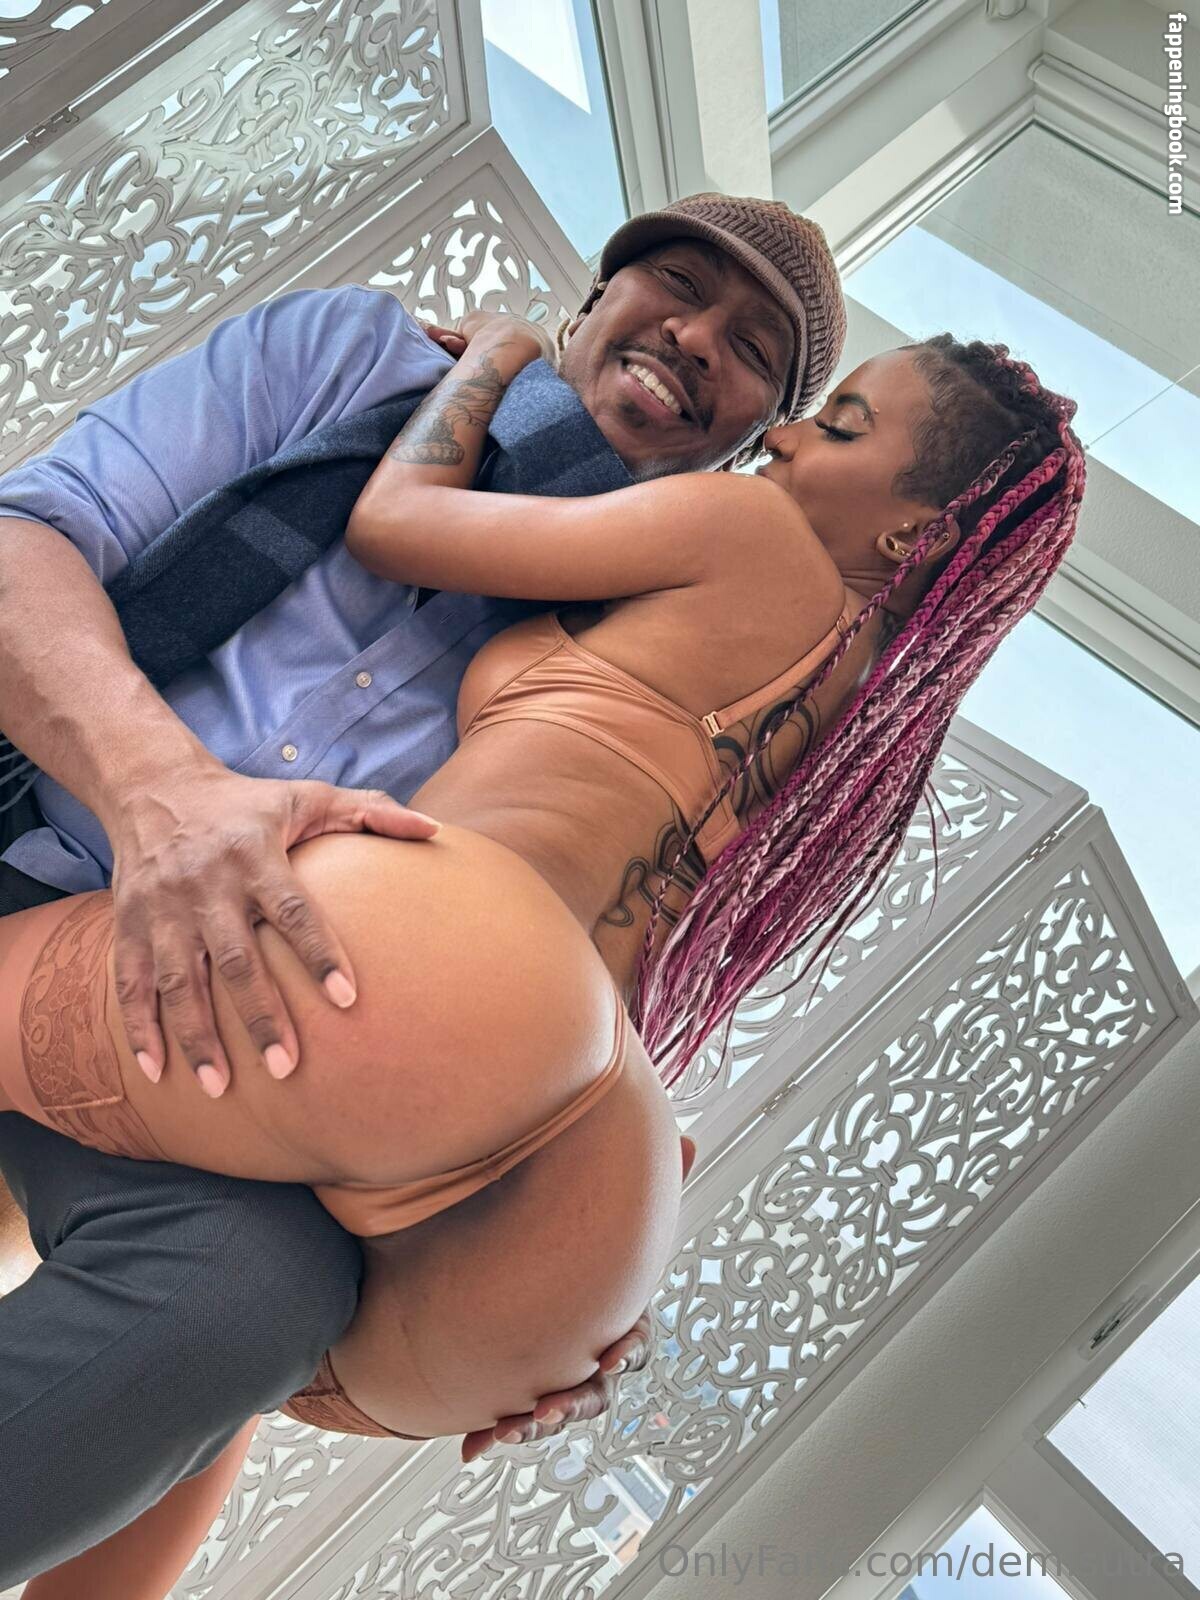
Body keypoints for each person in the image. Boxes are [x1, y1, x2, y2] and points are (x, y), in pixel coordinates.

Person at [2, 288, 1085, 1598]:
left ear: (916, 530)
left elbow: (397, 524)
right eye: (677, 286)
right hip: (596, 1157)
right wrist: (577, 1252)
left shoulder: (734, 528)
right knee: (243, 1311)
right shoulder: (853, 755)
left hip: (435, 964)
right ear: (603, 297)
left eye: (829, 417)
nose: (791, 441)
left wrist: (502, 351)